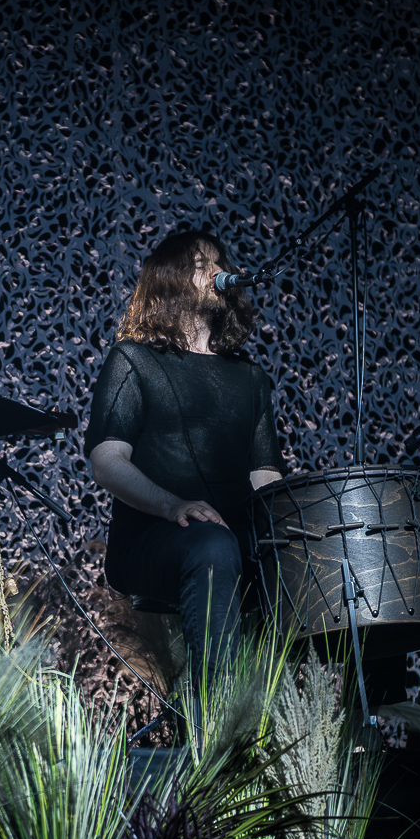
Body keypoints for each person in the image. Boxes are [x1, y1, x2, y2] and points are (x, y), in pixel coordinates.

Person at [84, 228, 283, 686]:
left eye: (219, 263)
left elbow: (266, 479)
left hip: (235, 538)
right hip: (154, 537)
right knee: (213, 545)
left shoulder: (251, 378)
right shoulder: (133, 360)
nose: (217, 272)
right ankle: (218, 714)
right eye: (200, 264)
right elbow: (107, 460)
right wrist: (174, 505)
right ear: (169, 278)